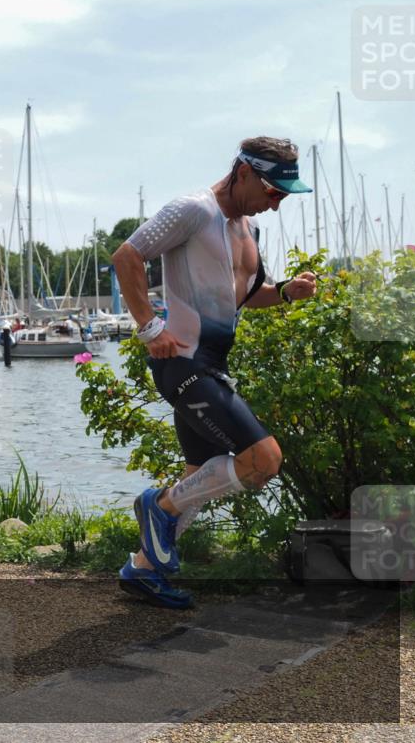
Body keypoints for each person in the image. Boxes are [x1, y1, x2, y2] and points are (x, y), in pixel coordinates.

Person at [111, 137, 318, 609]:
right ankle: (157, 506)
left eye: (284, 196)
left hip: (213, 364)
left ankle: (142, 571)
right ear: (243, 171)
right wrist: (149, 326)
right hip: (182, 362)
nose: (277, 204)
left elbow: (241, 296)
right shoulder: (193, 210)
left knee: (199, 477)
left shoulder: (248, 230)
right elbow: (127, 257)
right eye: (272, 192)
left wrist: (285, 291)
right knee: (263, 460)